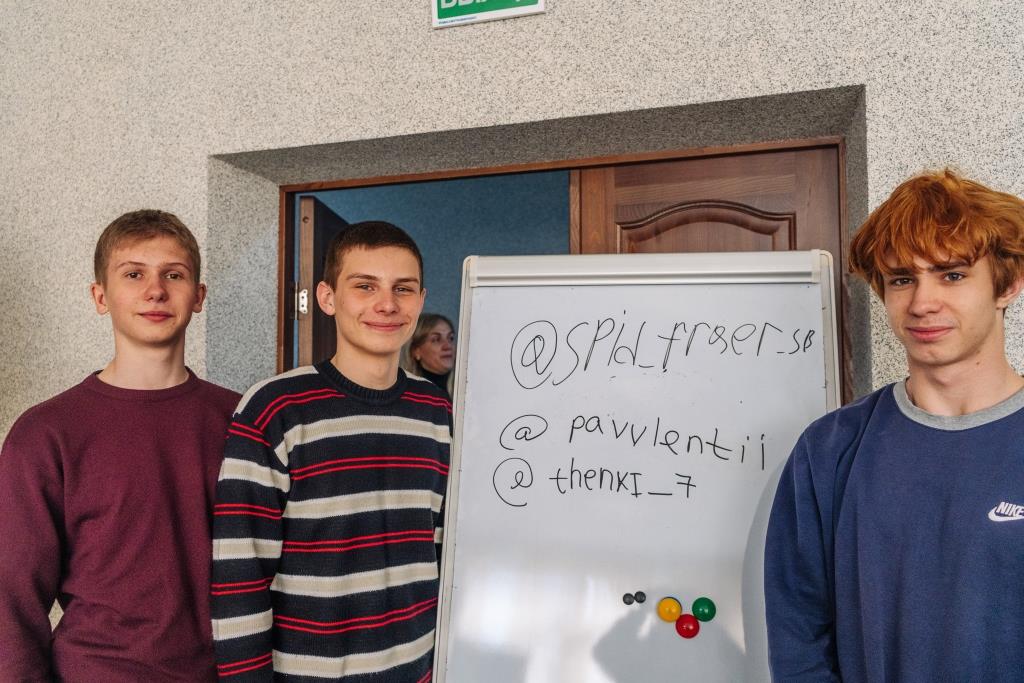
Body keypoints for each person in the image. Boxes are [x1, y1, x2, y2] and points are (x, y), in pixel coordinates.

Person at [764, 169, 1024, 682]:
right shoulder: (829, 450)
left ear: (1009, 284)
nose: (922, 303)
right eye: (902, 279)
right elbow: (798, 639)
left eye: (952, 275)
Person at [0, 210, 240, 681]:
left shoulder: (243, 420)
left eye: (174, 275)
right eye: (133, 274)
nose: (156, 290)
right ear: (100, 296)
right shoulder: (45, 432)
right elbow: (11, 598)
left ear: (198, 296)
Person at [211, 221, 451, 681]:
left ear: (420, 301)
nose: (387, 304)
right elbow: (240, 573)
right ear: (327, 297)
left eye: (403, 289)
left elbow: (440, 548)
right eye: (365, 286)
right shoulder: (275, 408)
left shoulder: (436, 409)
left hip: (418, 670)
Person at [402, 313, 456, 396]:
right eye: (436, 339)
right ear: (416, 351)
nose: (448, 346)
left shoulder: (467, 388)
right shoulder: (408, 394)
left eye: (451, 338)